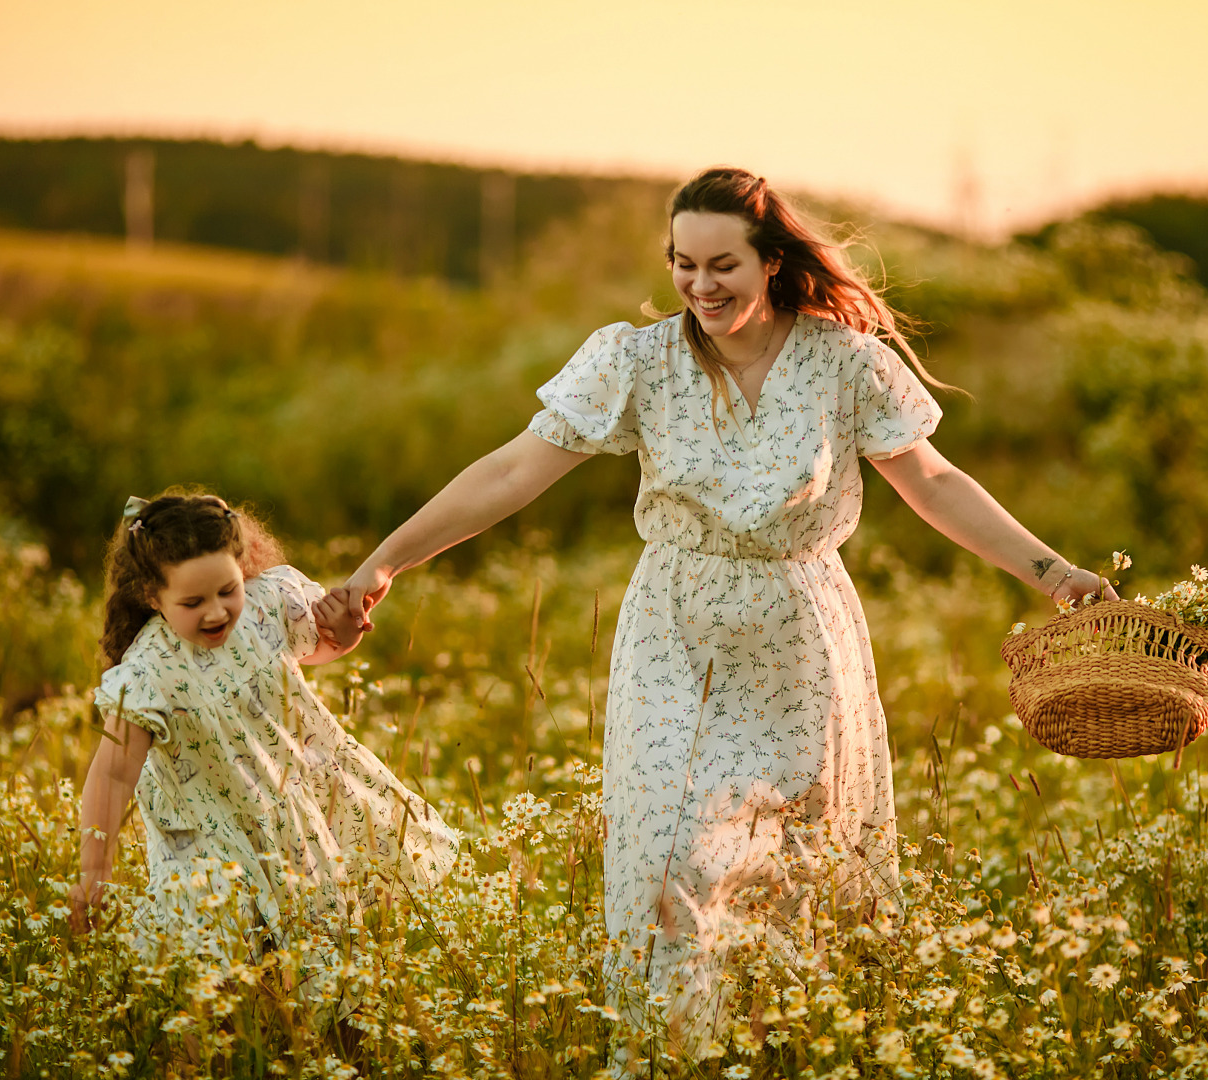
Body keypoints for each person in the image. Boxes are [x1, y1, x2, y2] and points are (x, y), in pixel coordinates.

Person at [336, 167, 1112, 1054]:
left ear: (771, 262)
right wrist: (384, 561)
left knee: (799, 869)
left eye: (722, 266)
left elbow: (933, 483)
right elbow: (511, 472)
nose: (700, 286)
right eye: (682, 264)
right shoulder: (636, 361)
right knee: (673, 854)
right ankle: (672, 1054)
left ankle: (786, 1049)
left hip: (799, 631)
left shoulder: (845, 363)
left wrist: (1053, 573)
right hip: (675, 625)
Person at [69, 491, 456, 1007]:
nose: (216, 612)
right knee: (219, 985)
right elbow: (113, 776)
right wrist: (94, 872)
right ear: (151, 595)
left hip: (294, 814)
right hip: (210, 842)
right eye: (192, 603)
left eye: (227, 590)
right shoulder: (146, 675)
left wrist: (343, 630)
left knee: (332, 972)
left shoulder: (267, 603)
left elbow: (321, 647)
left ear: (242, 564)